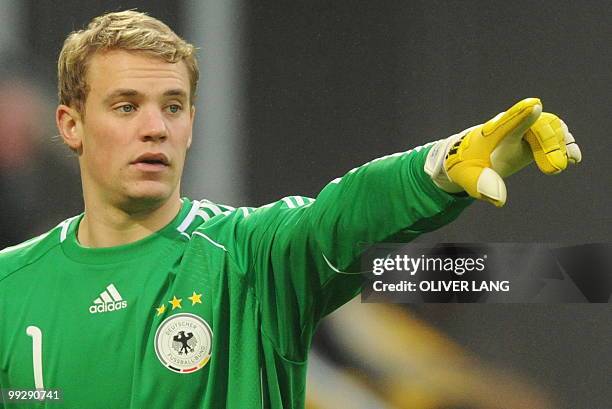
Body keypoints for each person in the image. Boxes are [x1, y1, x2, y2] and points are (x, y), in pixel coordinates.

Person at [0, 10, 581, 409]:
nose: (154, 128)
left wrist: (436, 167)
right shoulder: (10, 289)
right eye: (126, 107)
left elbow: (343, 214)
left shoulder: (252, 257)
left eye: (172, 107)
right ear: (70, 125)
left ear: (191, 123)